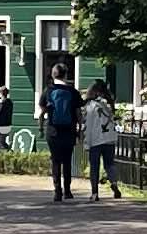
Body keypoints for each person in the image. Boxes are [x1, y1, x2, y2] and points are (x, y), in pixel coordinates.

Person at [39, 63, 85, 204]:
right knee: (67, 160)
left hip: (53, 131)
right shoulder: (73, 92)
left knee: (55, 161)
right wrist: (80, 130)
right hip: (69, 131)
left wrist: (41, 128)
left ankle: (57, 191)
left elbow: (42, 111)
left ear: (53, 75)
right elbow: (79, 114)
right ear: (65, 75)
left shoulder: (48, 90)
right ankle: (68, 190)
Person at [81, 80, 121, 200]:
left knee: (94, 166)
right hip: (109, 139)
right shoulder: (109, 104)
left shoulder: (91, 106)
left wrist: (86, 143)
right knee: (110, 164)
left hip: (96, 139)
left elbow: (88, 125)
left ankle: (95, 193)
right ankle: (114, 183)